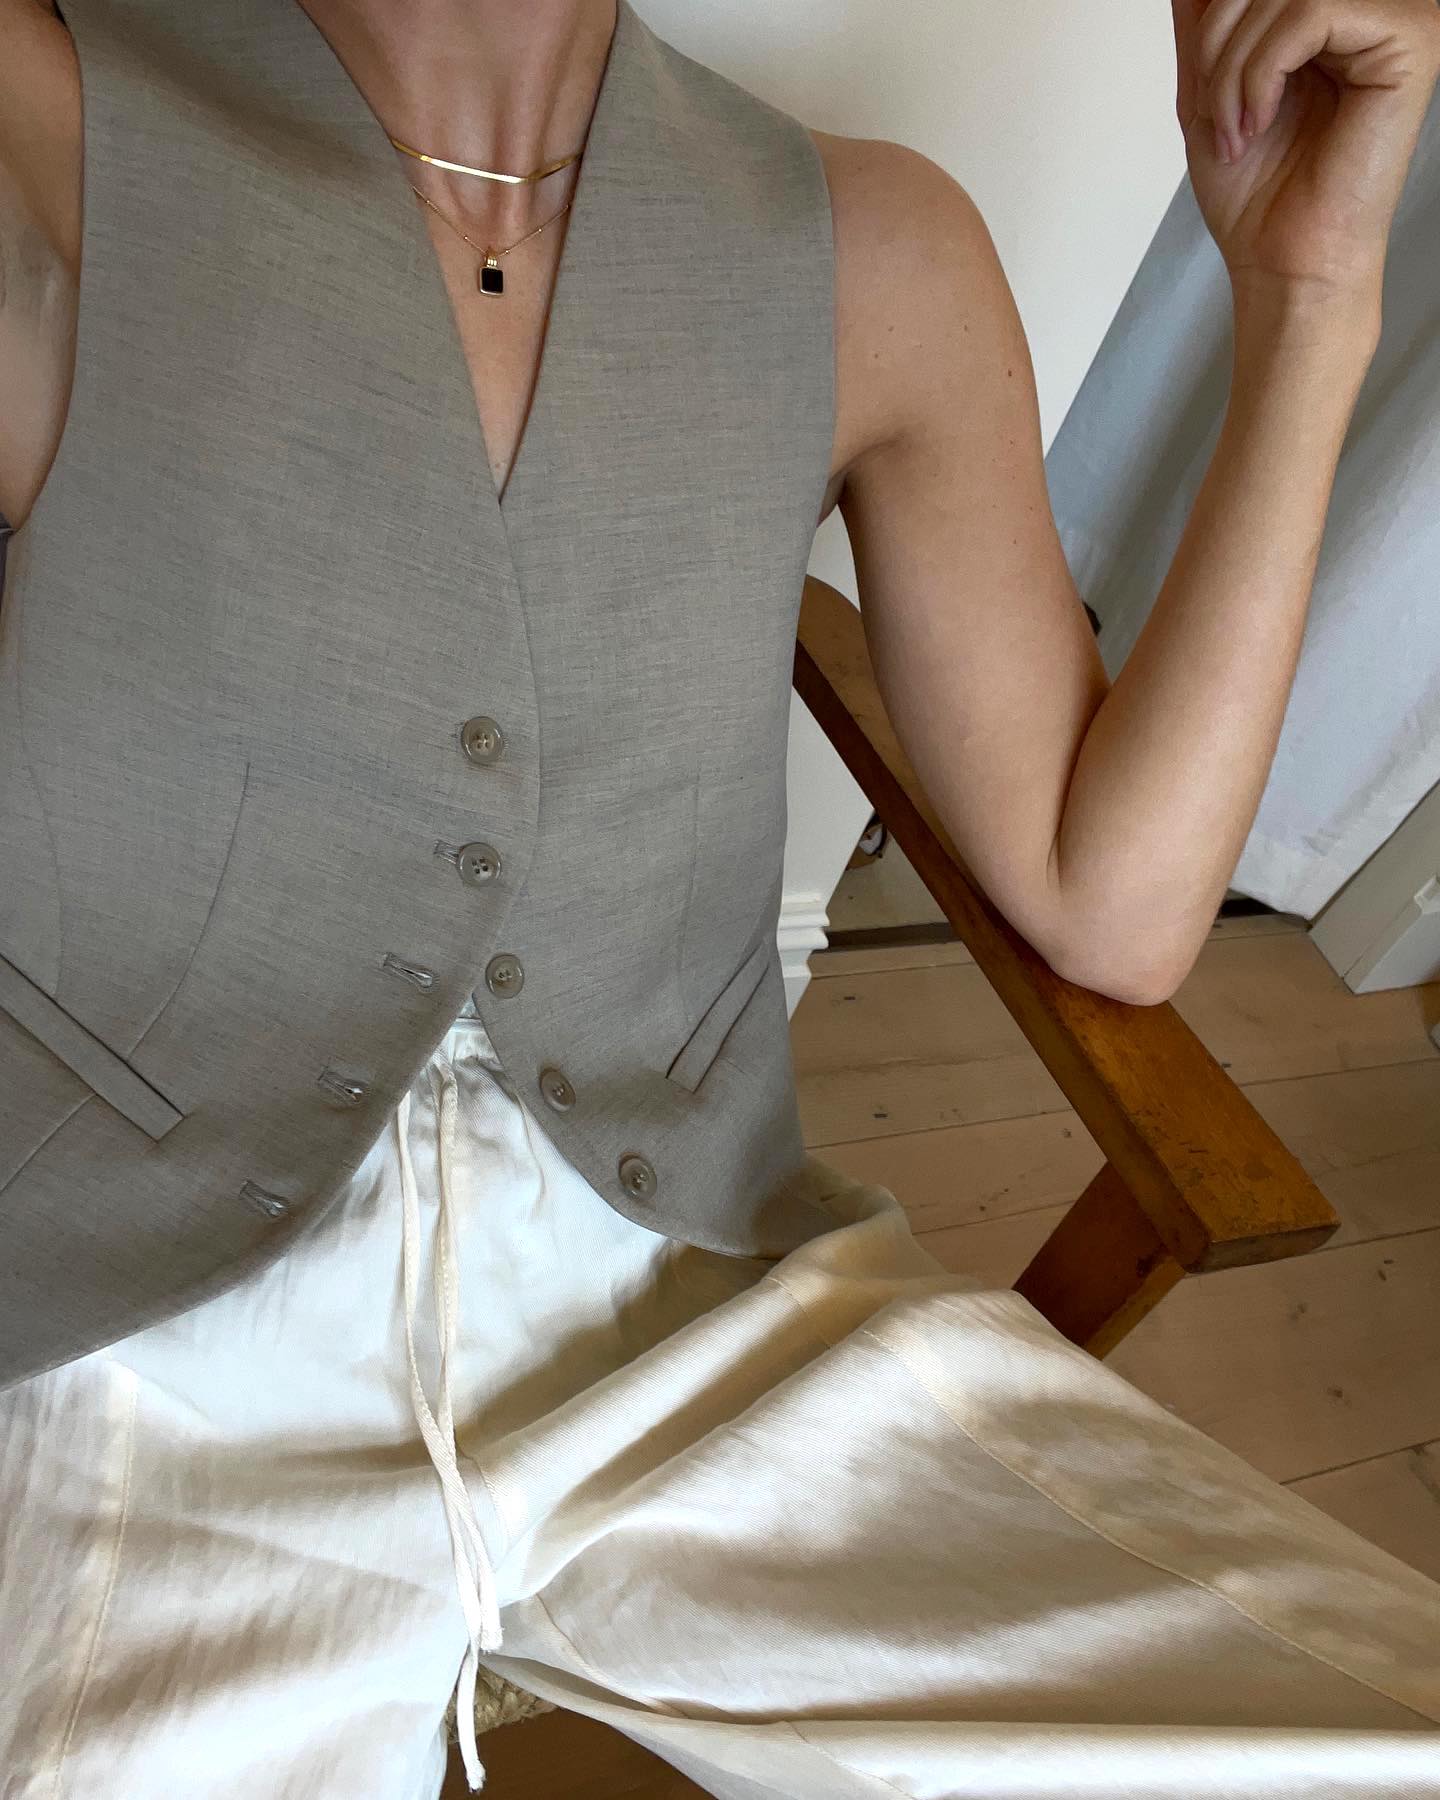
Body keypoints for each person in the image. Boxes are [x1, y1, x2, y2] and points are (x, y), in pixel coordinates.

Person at [2, 0, 1438, 1795]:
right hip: (112, 1333)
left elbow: (1111, 902)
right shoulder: (51, 127)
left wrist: (1313, 297)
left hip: (698, 1300)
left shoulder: (866, 247)